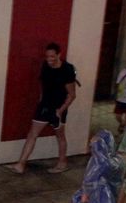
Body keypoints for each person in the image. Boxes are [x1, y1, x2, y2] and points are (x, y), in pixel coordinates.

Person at [9, 43, 77, 175]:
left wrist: (60, 110)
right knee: (32, 134)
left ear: (59, 55)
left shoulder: (67, 69)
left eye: (52, 56)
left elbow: (72, 95)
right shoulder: (45, 66)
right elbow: (42, 83)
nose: (49, 59)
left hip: (58, 108)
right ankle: (20, 164)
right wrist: (41, 99)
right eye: (47, 56)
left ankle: (62, 163)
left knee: (60, 136)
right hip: (45, 106)